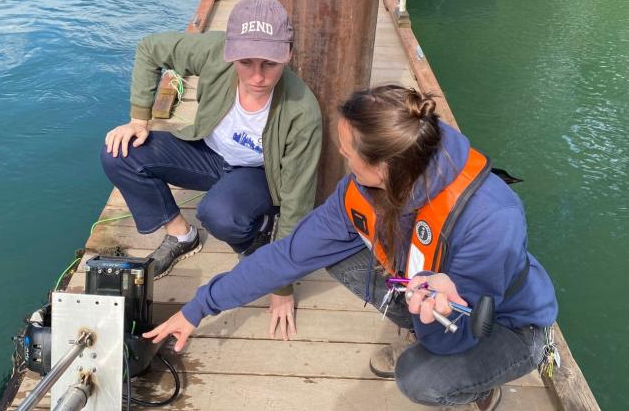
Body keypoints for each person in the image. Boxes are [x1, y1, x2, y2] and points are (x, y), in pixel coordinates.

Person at [143, 85, 558, 410]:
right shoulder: (362, 188)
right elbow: (288, 256)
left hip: (505, 322)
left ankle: (483, 387)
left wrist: (431, 315)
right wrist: (199, 306)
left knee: (420, 379)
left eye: (347, 148)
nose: (340, 151)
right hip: (428, 294)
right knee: (336, 255)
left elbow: (457, 336)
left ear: (385, 167)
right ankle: (417, 324)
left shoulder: (491, 217)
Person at [101, 0, 322, 339]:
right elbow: (149, 49)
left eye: (270, 63)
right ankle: (180, 236)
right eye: (245, 62)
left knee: (218, 214)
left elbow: (297, 203)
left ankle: (257, 233)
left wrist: (282, 286)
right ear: (230, 51)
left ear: (289, 53)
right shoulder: (213, 51)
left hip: (256, 173)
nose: (258, 77)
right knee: (120, 152)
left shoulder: (302, 111)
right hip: (206, 150)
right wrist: (138, 119)